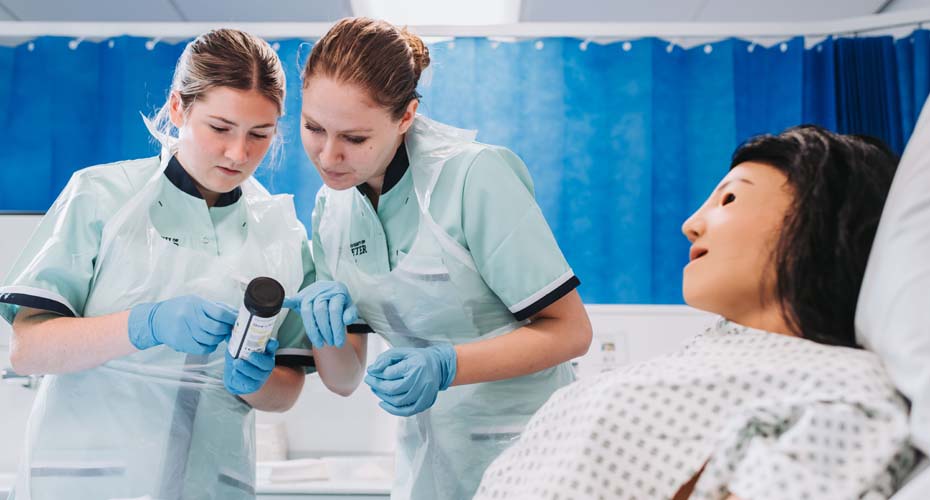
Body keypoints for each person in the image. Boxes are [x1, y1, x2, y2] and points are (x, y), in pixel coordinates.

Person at [473, 126, 918, 499]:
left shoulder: (842, 391)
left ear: (824, 223)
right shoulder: (716, 356)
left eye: (728, 201)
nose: (691, 222)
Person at [0, 29, 341, 500]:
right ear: (179, 107)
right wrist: (146, 324)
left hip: (210, 484)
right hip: (88, 481)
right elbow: (28, 348)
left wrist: (257, 381)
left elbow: (286, 388)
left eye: (259, 134)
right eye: (220, 128)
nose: (238, 154)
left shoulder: (281, 233)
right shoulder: (102, 197)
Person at [284, 17, 593, 500]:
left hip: (532, 453)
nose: (328, 156)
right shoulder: (332, 207)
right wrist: (325, 333)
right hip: (428, 461)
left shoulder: (474, 177)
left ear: (406, 116)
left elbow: (572, 331)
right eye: (313, 127)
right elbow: (345, 379)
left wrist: (446, 366)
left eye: (355, 138)